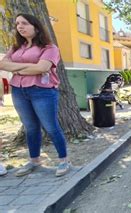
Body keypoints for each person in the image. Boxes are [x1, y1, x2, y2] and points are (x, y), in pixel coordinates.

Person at [0, 14, 70, 177]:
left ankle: (64, 160)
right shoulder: (16, 47)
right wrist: (29, 66)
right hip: (18, 90)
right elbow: (2, 64)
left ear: (36, 26)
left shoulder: (50, 48)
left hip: (42, 91)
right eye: (17, 23)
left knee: (51, 127)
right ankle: (34, 160)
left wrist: (15, 68)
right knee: (30, 127)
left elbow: (42, 68)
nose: (20, 26)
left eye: (24, 23)